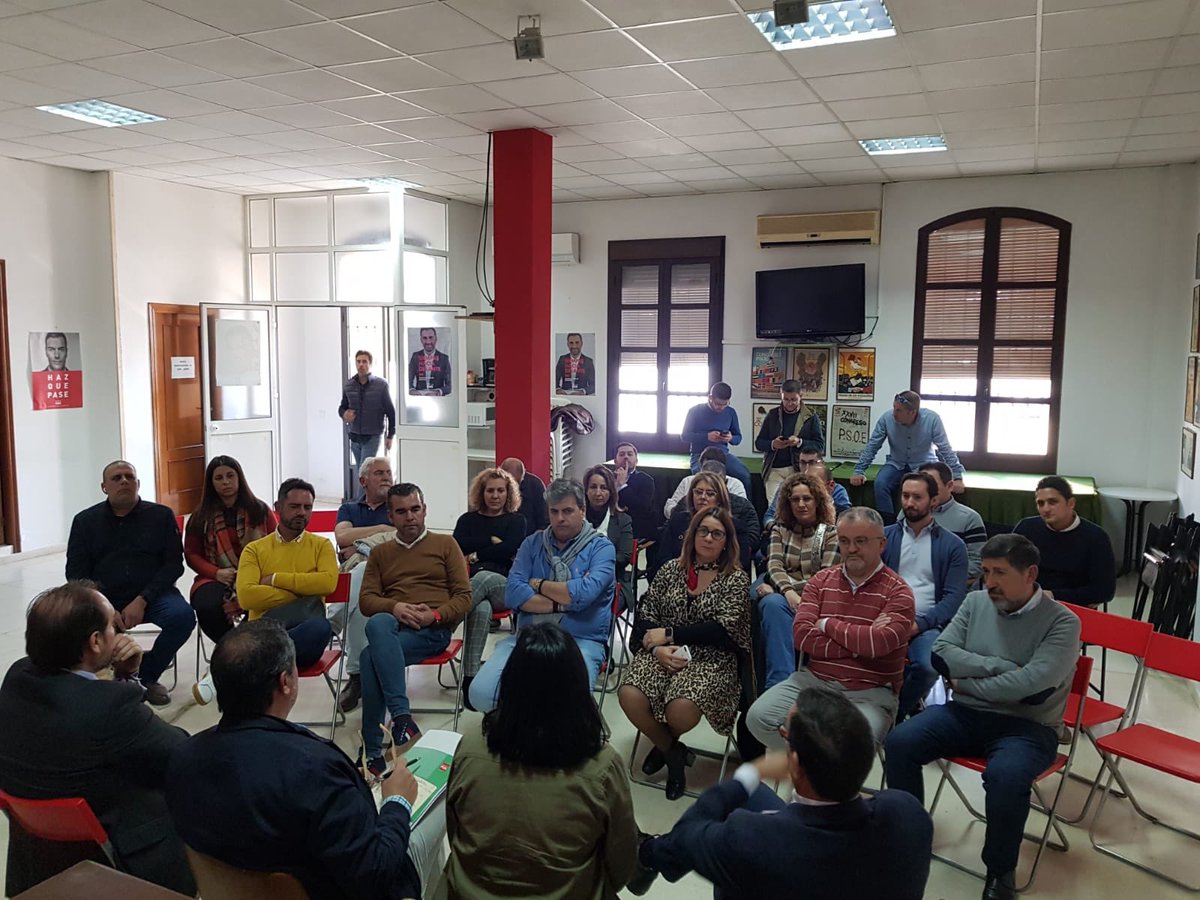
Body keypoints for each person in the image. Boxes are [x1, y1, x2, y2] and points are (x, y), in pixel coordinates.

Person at [167, 619, 446, 900]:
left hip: (231, 890)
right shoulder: (316, 769)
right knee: (441, 786)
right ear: (286, 682)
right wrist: (396, 801)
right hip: (347, 887)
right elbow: (376, 872)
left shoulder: (182, 758)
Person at [885, 534, 1081, 900]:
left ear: (1030, 574)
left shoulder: (1063, 622)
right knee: (899, 742)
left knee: (1006, 777)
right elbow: (941, 653)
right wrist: (1000, 666)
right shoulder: (976, 602)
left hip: (1028, 728)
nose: (989, 582)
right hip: (965, 713)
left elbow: (1033, 688)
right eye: (986, 571)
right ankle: (909, 835)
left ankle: (1000, 873)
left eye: (1000, 573)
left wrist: (965, 683)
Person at [628, 690, 932, 900]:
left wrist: (751, 772)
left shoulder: (750, 839)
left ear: (795, 764)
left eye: (784, 735)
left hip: (780, 863)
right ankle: (650, 857)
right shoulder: (909, 815)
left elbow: (688, 835)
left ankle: (647, 856)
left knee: (735, 801)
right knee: (755, 796)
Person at [0, 583, 193, 897]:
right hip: (117, 859)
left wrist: (117, 680)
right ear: (95, 642)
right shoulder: (109, 706)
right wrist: (128, 679)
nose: (118, 633)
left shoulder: (16, 677)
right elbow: (181, 752)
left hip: (37, 858)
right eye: (112, 627)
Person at [446, 623, 637, 898]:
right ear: (578, 689)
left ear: (509, 683)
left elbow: (456, 833)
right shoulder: (602, 767)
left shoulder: (471, 747)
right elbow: (621, 866)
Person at [747, 507, 914, 747]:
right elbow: (802, 636)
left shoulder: (899, 592)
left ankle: (814, 767)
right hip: (814, 681)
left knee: (851, 744)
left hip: (870, 692)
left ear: (881, 544)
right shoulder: (820, 582)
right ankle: (814, 764)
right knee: (758, 719)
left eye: (861, 541)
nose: (851, 549)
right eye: (844, 541)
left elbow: (878, 644)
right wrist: (861, 642)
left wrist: (826, 624)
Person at [620, 506, 750, 800]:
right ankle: (672, 752)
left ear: (726, 542)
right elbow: (645, 616)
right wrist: (658, 649)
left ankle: (665, 745)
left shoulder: (735, 578)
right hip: (661, 652)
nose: (708, 538)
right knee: (629, 695)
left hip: (711, 657)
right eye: (703, 530)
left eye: (717, 533)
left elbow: (722, 629)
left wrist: (670, 634)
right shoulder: (670, 569)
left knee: (679, 709)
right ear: (692, 534)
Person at [469, 479, 616, 713]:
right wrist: (564, 602)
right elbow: (513, 594)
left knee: (569, 707)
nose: (560, 518)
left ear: (582, 510)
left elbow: (584, 594)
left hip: (580, 641)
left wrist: (537, 584)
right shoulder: (532, 544)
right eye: (554, 511)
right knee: (480, 694)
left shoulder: (601, 548)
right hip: (528, 638)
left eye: (567, 511)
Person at [357, 483, 472, 769]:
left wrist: (435, 616)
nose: (410, 517)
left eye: (415, 509)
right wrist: (395, 607)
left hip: (432, 630)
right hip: (394, 629)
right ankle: (402, 720)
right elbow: (367, 601)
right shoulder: (381, 553)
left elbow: (464, 597)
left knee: (369, 657)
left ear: (424, 510)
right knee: (379, 622)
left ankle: (372, 750)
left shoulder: (446, 545)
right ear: (390, 516)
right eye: (401, 512)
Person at [65, 460, 194, 706]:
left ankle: (144, 677)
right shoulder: (84, 521)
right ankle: (101, 679)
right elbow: (76, 574)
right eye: (116, 478)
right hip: (103, 598)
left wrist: (143, 599)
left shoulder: (161, 516)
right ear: (104, 487)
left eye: (129, 477)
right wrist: (105, 607)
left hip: (152, 596)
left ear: (138, 483)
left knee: (182, 617)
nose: (124, 481)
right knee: (72, 622)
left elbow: (173, 565)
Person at [881, 471, 968, 721]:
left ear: (933, 500)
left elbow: (953, 598)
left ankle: (894, 714)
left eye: (917, 497)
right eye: (905, 496)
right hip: (884, 618)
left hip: (927, 624)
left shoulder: (953, 545)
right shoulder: (884, 538)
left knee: (928, 668)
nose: (909, 503)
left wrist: (919, 625)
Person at [235, 478, 336, 671]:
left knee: (321, 628)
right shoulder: (254, 550)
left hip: (305, 630)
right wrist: (305, 590)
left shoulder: (322, 546)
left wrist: (275, 579)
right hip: (265, 629)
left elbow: (328, 583)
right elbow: (247, 597)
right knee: (254, 639)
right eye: (294, 506)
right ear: (278, 507)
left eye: (307, 507)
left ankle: (254, 661)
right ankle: (263, 661)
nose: (302, 512)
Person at [756, 472, 840, 691]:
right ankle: (779, 686)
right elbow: (774, 566)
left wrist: (778, 588)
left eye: (807, 498)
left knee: (772, 598)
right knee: (771, 604)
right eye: (795, 499)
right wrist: (789, 593)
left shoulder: (831, 533)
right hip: (786, 599)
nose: (801, 504)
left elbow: (825, 577)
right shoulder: (779, 530)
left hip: (818, 601)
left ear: (817, 501)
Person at [184, 455, 277, 647]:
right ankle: (231, 648)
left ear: (239, 478)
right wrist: (216, 573)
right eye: (219, 478)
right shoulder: (200, 516)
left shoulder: (259, 510)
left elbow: (277, 545)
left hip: (258, 574)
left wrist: (250, 573)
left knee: (263, 601)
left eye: (230, 476)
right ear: (211, 483)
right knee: (207, 605)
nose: (225, 482)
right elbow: (192, 554)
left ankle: (246, 649)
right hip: (216, 576)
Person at [453, 467, 526, 706]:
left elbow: (511, 548)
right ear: (481, 493)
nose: (495, 496)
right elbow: (456, 547)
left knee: (484, 577)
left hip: (505, 588)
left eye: (500, 491)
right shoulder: (467, 520)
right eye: (490, 491)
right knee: (481, 608)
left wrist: (475, 554)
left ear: (508, 493)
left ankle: (445, 623)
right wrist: (490, 540)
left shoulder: (516, 520)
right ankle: (470, 680)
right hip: (473, 591)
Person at [850, 390, 965, 517]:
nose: (894, 413)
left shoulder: (932, 419)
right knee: (880, 484)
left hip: (924, 464)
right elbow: (872, 445)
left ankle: (926, 520)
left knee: (928, 487)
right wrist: (859, 470)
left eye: (899, 410)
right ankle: (888, 522)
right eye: (894, 408)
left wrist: (957, 477)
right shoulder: (886, 418)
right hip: (896, 463)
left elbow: (945, 448)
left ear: (912, 412)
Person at [1012, 475, 1116, 607]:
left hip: (1074, 607)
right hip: (1028, 603)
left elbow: (1105, 591)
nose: (1046, 509)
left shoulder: (1096, 537)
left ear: (1071, 503)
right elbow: (1008, 567)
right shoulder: (1026, 528)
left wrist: (1053, 596)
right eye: (1040, 503)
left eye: (1053, 502)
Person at [650, 469, 759, 582]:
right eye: (698, 492)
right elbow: (663, 559)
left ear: (720, 498)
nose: (703, 497)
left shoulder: (735, 527)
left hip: (721, 583)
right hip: (675, 580)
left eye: (710, 494)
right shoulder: (677, 521)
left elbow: (740, 564)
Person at [754, 378, 825, 503]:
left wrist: (800, 442)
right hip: (774, 469)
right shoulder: (773, 415)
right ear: (781, 395)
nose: (789, 403)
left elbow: (819, 446)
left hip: (799, 468)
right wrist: (773, 444)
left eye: (793, 399)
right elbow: (759, 443)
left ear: (801, 396)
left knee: (795, 504)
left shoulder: (811, 417)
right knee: (774, 506)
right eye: (786, 399)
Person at [919, 461, 986, 585]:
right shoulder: (910, 512)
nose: (927, 490)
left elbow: (977, 563)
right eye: (923, 485)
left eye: (933, 485)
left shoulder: (969, 518)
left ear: (950, 486)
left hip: (950, 586)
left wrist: (939, 575)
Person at [681, 382, 753, 496]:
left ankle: (745, 505)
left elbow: (738, 438)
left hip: (723, 454)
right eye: (718, 404)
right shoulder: (695, 411)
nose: (721, 407)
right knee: (702, 478)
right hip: (700, 454)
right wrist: (706, 436)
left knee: (744, 475)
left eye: (725, 404)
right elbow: (685, 436)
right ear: (710, 398)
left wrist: (730, 438)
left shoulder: (731, 412)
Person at [583, 464, 634, 611]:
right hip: (576, 578)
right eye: (593, 487)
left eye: (604, 488)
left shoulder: (623, 520)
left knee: (593, 605)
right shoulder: (576, 517)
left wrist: (596, 566)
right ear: (586, 490)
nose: (598, 493)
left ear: (611, 491)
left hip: (613, 580)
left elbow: (624, 556)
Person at [339, 349, 396, 472]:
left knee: (364, 471)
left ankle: (362, 486)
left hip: (372, 436)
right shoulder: (349, 385)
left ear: (370, 364)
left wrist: (390, 435)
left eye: (364, 361)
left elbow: (391, 412)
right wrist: (344, 414)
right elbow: (342, 407)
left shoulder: (381, 385)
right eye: (358, 361)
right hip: (354, 436)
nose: (361, 365)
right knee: (361, 472)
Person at [663, 447, 747, 516]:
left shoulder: (735, 484)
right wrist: (682, 514)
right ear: (700, 466)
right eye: (698, 492)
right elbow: (670, 507)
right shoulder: (688, 481)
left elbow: (743, 512)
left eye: (710, 493)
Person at [613, 441, 658, 540]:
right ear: (615, 461)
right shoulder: (607, 479)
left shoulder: (646, 480)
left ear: (636, 461)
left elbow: (642, 507)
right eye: (622, 454)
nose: (626, 457)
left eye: (629, 454)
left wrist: (622, 485)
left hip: (636, 530)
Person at [501, 456, 549, 536]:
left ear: (523, 476)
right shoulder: (495, 485)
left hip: (530, 536)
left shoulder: (534, 485)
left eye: (516, 484)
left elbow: (544, 518)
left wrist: (537, 538)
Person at [408, 327, 452, 396]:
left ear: (436, 338)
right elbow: (408, 379)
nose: (428, 342)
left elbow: (449, 385)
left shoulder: (444, 359)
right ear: (421, 340)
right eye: (425, 338)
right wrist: (411, 390)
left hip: (438, 399)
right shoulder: (415, 356)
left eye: (431, 337)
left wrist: (438, 392)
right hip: (419, 398)